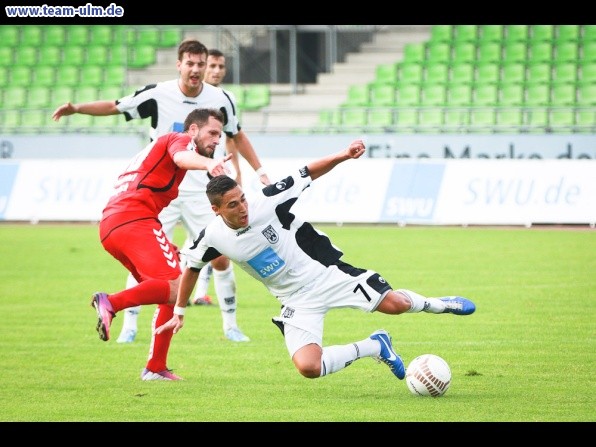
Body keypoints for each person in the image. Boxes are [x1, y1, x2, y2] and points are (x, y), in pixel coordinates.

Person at [156, 139, 476, 381]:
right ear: (216, 210)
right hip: (295, 299)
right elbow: (192, 267)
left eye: (242, 199)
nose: (242, 208)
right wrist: (181, 310)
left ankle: (439, 304)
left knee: (395, 305)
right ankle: (376, 346)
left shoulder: (265, 203)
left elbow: (307, 172)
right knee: (309, 368)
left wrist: (341, 156)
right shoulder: (212, 236)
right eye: (232, 205)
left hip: (323, 274)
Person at [52, 40, 270, 345]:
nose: (196, 69)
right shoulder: (158, 94)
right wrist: (77, 108)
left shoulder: (221, 100)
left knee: (220, 259)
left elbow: (238, 136)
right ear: (179, 65)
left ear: (206, 67)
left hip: (201, 193)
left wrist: (260, 172)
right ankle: (129, 326)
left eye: (201, 64)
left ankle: (230, 326)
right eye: (190, 63)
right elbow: (116, 106)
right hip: (161, 196)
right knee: (148, 262)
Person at [91, 108, 230, 381]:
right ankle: (111, 303)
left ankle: (155, 367)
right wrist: (207, 164)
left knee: (170, 291)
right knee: (177, 287)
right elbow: (181, 157)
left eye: (220, 135)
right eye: (212, 133)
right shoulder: (176, 139)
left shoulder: (157, 149)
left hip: (114, 224)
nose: (217, 139)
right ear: (193, 130)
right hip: (134, 219)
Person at [191, 48, 240, 307]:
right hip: (186, 180)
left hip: (214, 178)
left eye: (221, 67)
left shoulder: (226, 99)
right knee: (198, 241)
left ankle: (201, 293)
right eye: (213, 66)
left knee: (212, 240)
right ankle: (192, 291)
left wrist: (238, 173)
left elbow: (233, 139)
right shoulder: (186, 99)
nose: (216, 71)